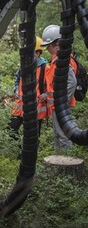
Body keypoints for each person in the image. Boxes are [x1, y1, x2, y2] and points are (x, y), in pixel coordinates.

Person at [41, 25, 76, 153]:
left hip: (60, 106)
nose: (47, 49)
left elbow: (72, 82)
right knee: (58, 135)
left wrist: (62, 102)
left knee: (63, 136)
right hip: (56, 106)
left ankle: (66, 168)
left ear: (56, 44)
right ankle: (58, 165)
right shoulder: (57, 59)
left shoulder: (63, 59)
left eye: (48, 46)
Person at [8, 37, 48, 138]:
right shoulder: (24, 65)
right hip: (20, 106)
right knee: (11, 130)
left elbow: (52, 86)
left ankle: (28, 154)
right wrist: (16, 90)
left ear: (37, 53)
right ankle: (19, 150)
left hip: (36, 109)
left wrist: (46, 94)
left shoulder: (45, 68)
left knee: (33, 136)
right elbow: (17, 78)